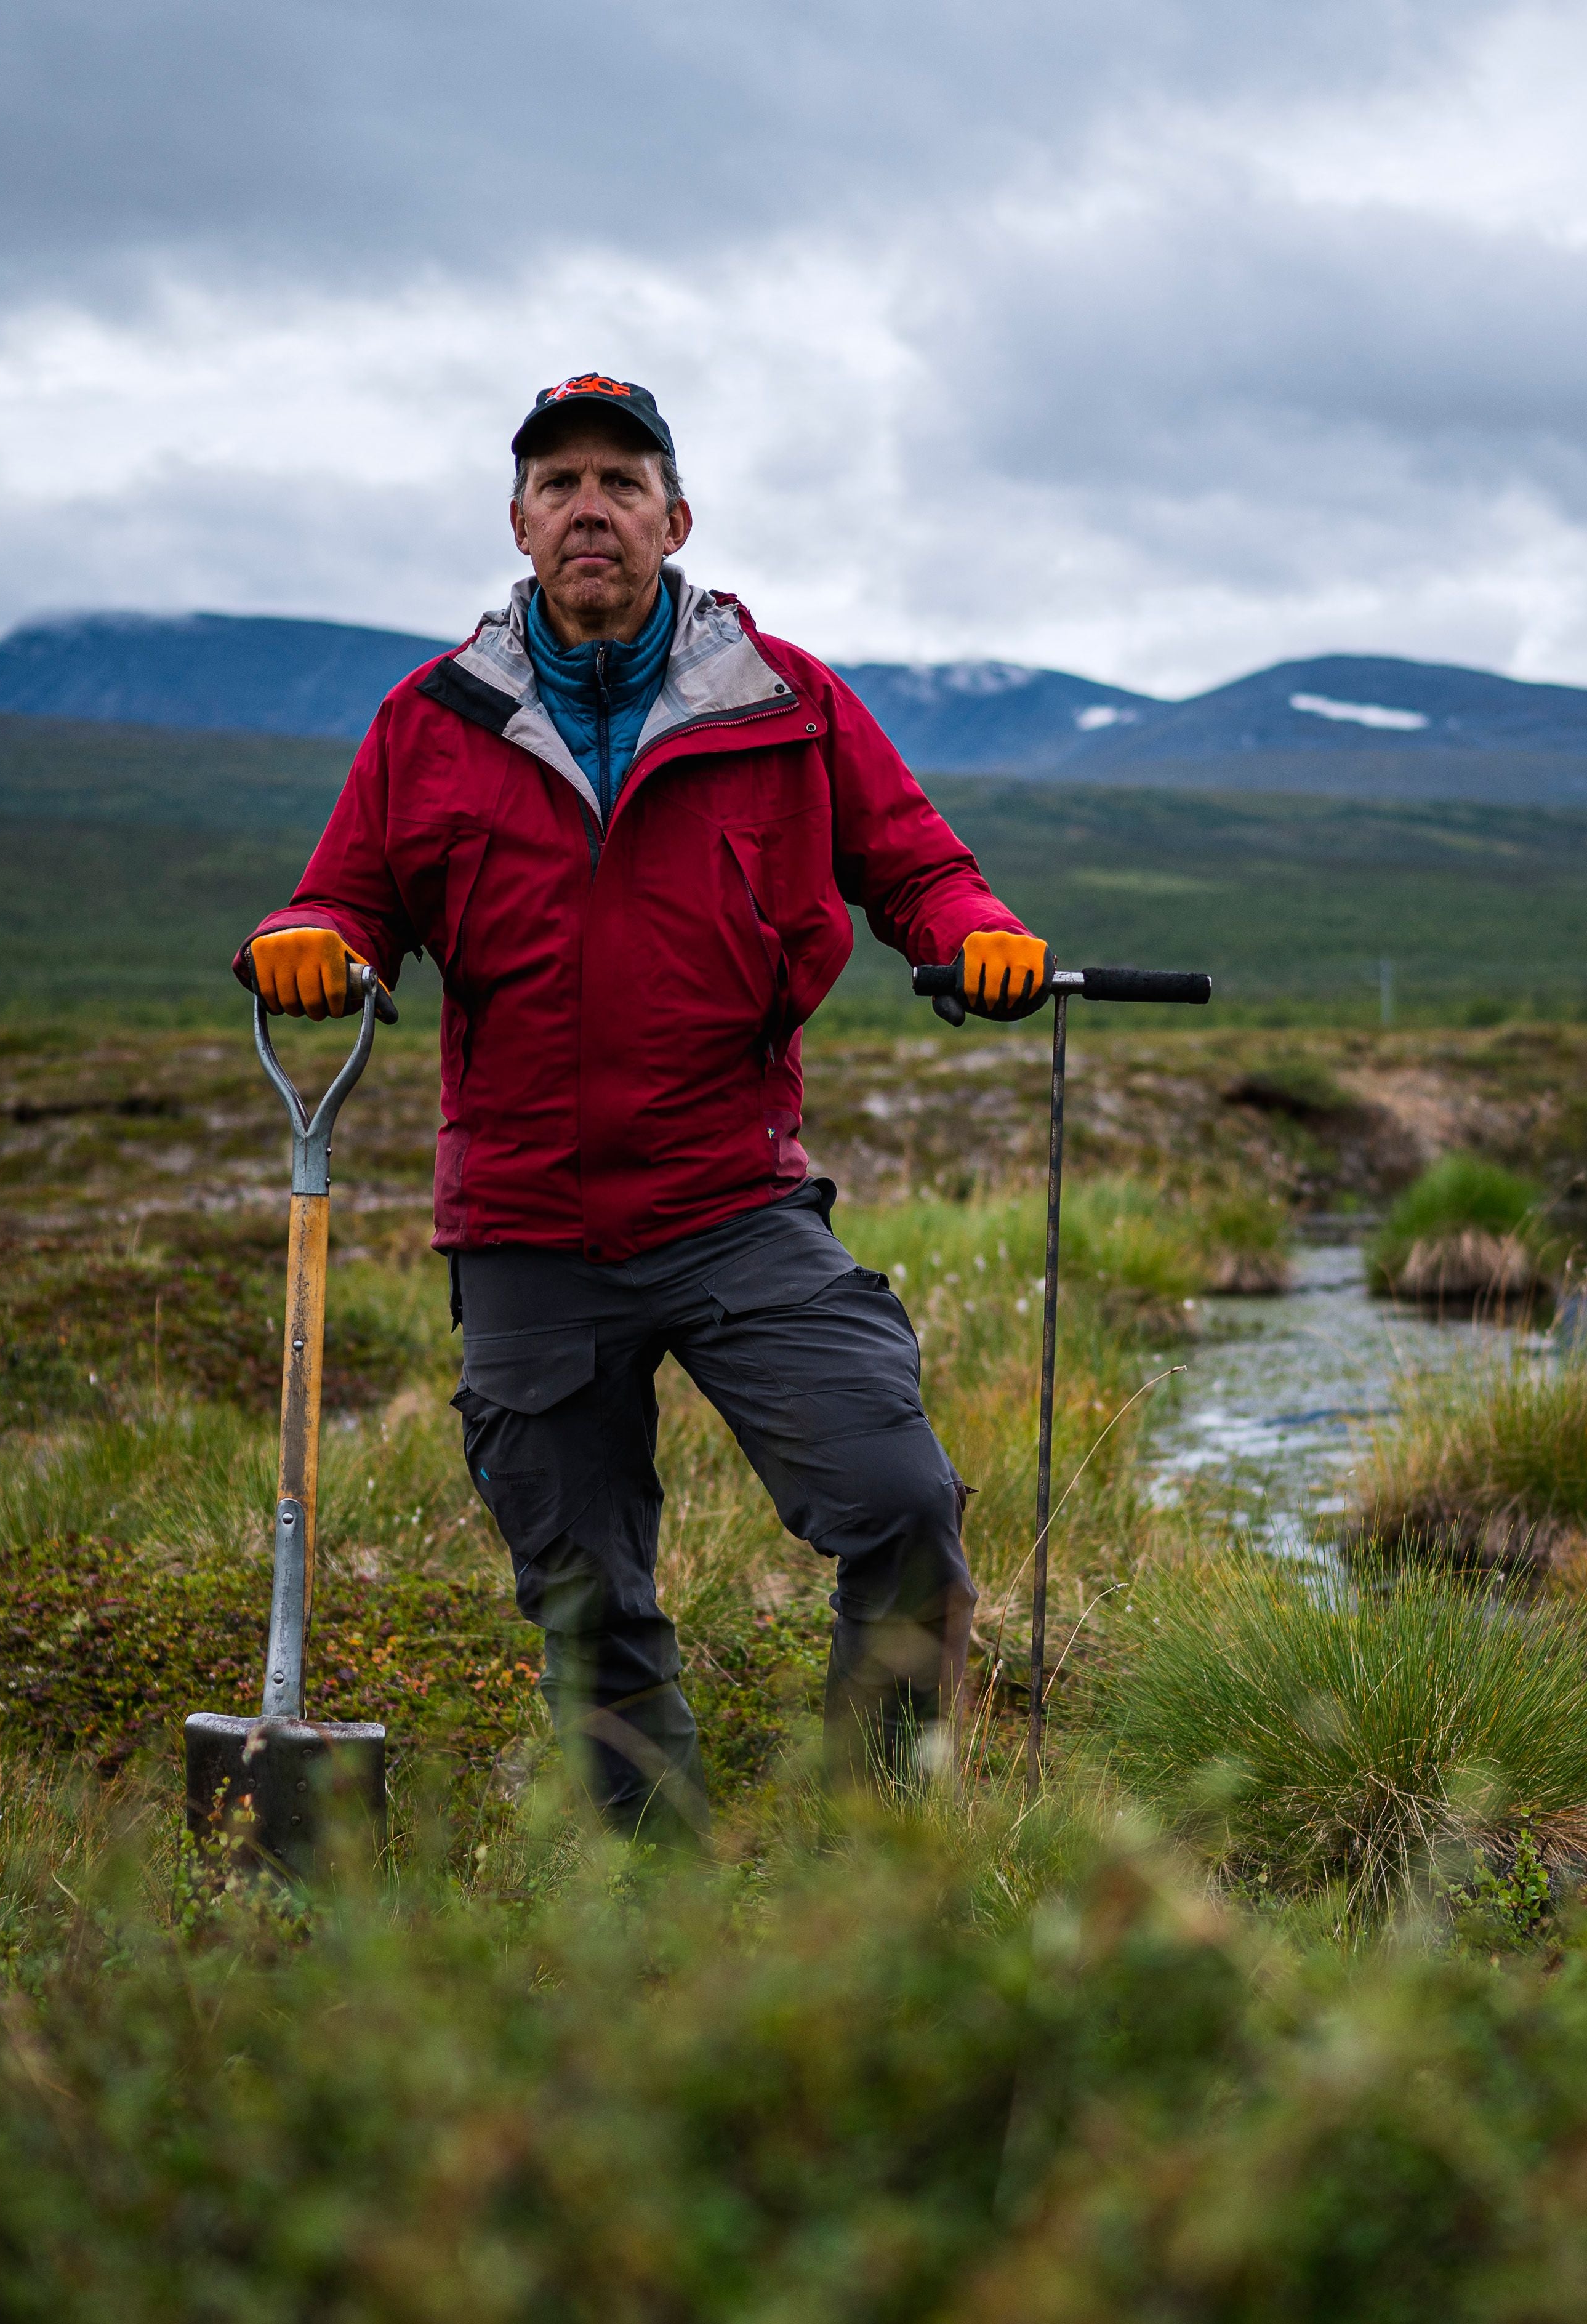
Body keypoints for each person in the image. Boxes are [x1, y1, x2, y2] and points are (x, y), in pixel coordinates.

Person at [238, 372, 1049, 1838]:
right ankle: (665, 1901)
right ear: (518, 522)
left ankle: (873, 1846)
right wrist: (315, 941)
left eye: (621, 481)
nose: (589, 507)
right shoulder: (429, 722)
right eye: (559, 485)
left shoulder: (787, 701)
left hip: (731, 1200)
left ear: (679, 518)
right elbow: (347, 895)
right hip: (528, 1217)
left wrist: (974, 934)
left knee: (902, 1501)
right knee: (585, 1594)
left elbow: (920, 865)